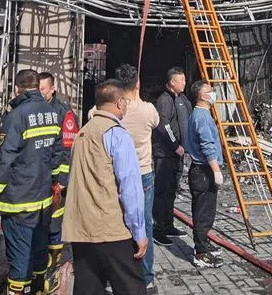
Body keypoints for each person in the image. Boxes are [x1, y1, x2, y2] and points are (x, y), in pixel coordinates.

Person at [62, 79, 148, 295]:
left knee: (88, 287)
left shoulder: (82, 133)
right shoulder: (117, 135)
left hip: (81, 230)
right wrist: (139, 231)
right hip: (112, 231)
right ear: (119, 103)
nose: (127, 106)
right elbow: (130, 188)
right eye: (126, 102)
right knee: (130, 287)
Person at [0, 69, 63, 295]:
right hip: (43, 198)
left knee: (19, 257)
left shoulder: (16, 116)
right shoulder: (52, 112)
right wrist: (54, 180)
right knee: (39, 251)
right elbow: (57, 154)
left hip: (18, 201)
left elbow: (5, 160)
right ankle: (39, 290)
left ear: (17, 88)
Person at [114, 65, 160, 290]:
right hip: (142, 174)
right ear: (138, 84)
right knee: (144, 225)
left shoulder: (111, 109)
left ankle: (119, 275)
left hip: (116, 175)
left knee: (118, 225)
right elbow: (157, 123)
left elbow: (92, 114)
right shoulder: (148, 110)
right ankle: (146, 276)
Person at [37, 71, 77, 288]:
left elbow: (68, 149)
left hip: (55, 185)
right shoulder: (31, 111)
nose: (39, 93)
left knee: (56, 228)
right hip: (36, 182)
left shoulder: (63, 112)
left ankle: (58, 272)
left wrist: (62, 179)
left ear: (52, 89)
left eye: (43, 89)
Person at [185, 80, 224, 269]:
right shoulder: (201, 117)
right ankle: (200, 253)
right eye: (210, 91)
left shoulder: (200, 114)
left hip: (201, 170)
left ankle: (204, 243)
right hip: (203, 171)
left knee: (206, 211)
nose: (213, 94)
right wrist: (216, 171)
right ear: (201, 96)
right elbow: (207, 146)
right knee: (203, 213)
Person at [151, 67, 190, 245]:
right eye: (181, 80)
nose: (184, 83)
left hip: (178, 154)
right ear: (172, 82)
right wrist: (175, 146)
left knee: (172, 190)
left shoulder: (182, 100)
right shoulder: (164, 100)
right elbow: (164, 125)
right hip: (165, 154)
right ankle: (157, 229)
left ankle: (168, 224)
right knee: (162, 191)